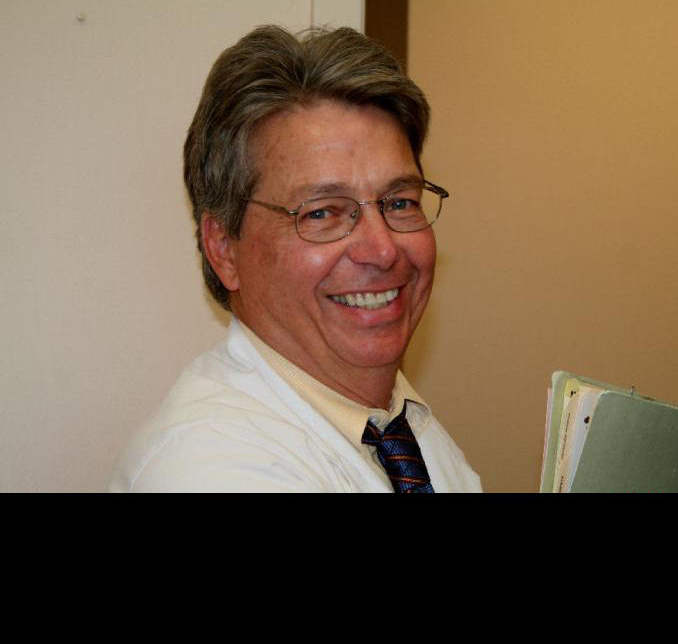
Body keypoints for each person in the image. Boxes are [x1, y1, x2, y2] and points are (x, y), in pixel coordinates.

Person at [108, 25, 482, 493]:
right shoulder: (210, 469)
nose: (383, 250)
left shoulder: (396, 428)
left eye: (400, 202)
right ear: (224, 248)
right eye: (321, 212)